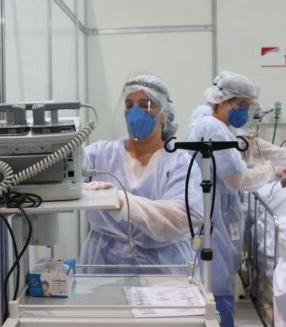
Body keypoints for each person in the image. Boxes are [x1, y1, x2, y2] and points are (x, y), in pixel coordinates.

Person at [185, 70, 286, 327]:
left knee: (216, 278)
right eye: (241, 105)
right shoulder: (213, 127)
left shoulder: (220, 126)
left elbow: (247, 144)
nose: (244, 111)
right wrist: (272, 169)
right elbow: (236, 179)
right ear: (221, 100)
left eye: (248, 105)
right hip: (214, 217)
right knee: (217, 281)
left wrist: (283, 159)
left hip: (218, 212)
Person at [80, 74, 204, 274]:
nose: (135, 112)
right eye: (129, 105)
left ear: (164, 114)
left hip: (163, 267)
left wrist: (122, 202)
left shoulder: (180, 162)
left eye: (146, 105)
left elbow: (182, 217)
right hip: (104, 265)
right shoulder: (99, 154)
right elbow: (63, 179)